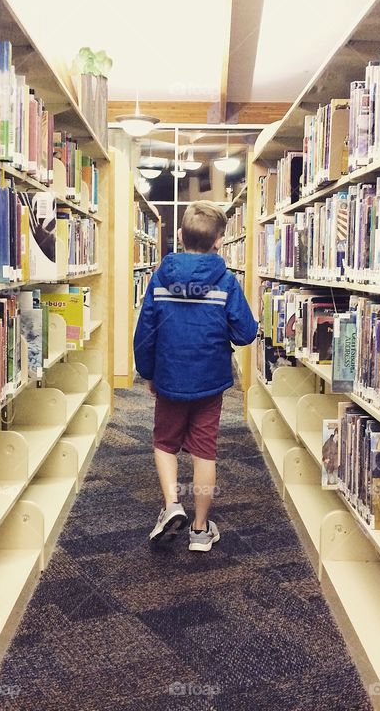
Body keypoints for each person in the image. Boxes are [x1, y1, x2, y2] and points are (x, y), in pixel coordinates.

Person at [134, 201, 259, 552]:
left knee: (164, 443)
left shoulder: (160, 277)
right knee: (205, 451)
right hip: (209, 382)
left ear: (178, 235)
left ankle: (173, 504)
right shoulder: (227, 282)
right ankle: (201, 531)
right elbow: (245, 333)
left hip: (169, 379)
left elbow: (145, 331)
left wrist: (148, 372)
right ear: (220, 241)